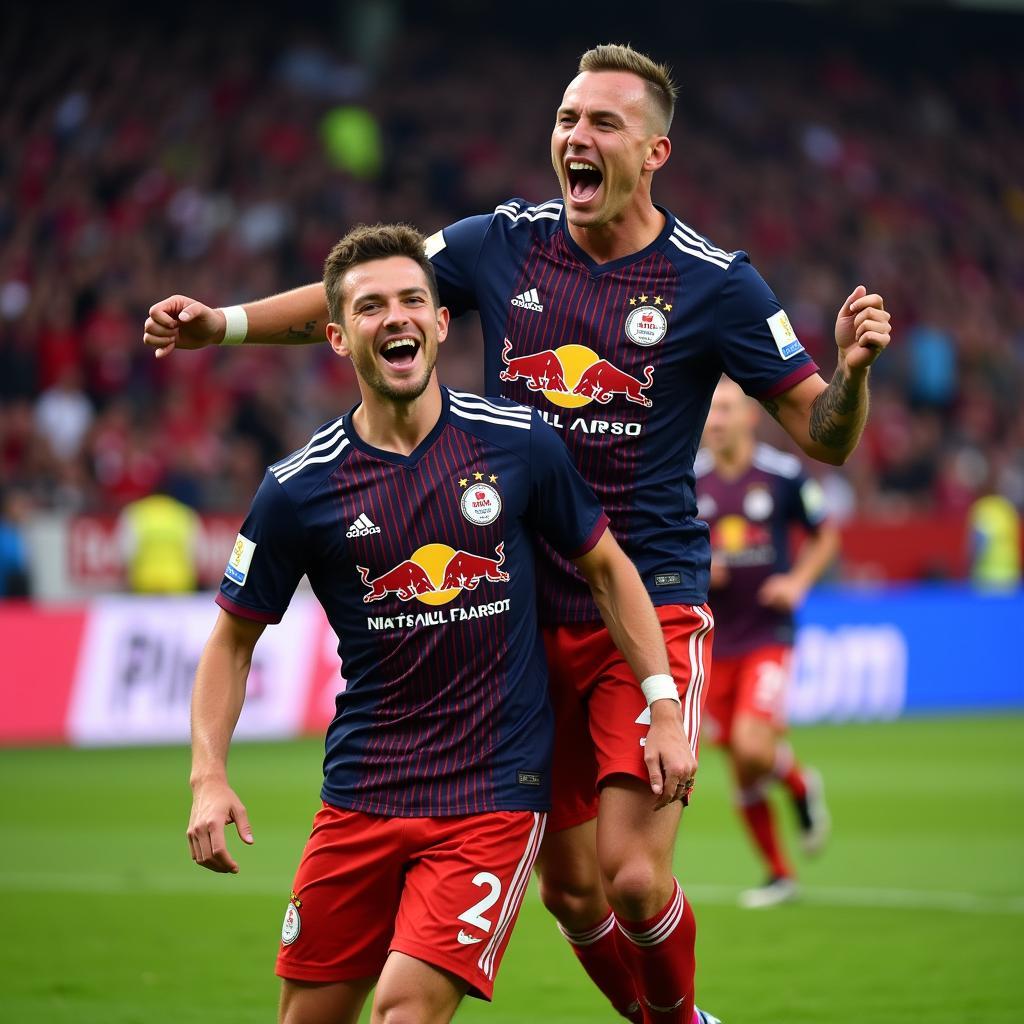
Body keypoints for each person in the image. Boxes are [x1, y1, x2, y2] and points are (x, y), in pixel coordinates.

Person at [150, 44, 891, 1024]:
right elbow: (362, 297)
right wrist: (224, 326)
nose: (575, 139)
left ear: (655, 151)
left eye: (603, 124)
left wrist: (851, 375)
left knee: (631, 877)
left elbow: (823, 435)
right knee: (571, 891)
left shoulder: (717, 284)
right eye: (566, 121)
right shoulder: (498, 244)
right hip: (521, 625)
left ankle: (680, 1020)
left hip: (646, 601)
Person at [187, 223, 699, 1024]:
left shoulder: (520, 444)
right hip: (360, 792)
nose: (395, 318)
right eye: (370, 307)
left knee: (404, 1010)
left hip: (490, 796)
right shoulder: (297, 489)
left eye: (412, 301)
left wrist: (662, 704)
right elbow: (232, 638)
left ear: (440, 322)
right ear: (335, 334)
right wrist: (208, 777)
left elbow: (608, 570)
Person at [695, 378, 839, 907]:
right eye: (711, 411)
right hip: (711, 640)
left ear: (751, 417)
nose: (717, 420)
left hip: (767, 635)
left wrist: (797, 583)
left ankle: (799, 786)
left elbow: (825, 534)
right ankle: (779, 873)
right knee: (739, 760)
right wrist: (702, 568)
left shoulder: (782, 476)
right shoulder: (688, 482)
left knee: (753, 747)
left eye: (727, 409)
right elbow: (666, 548)